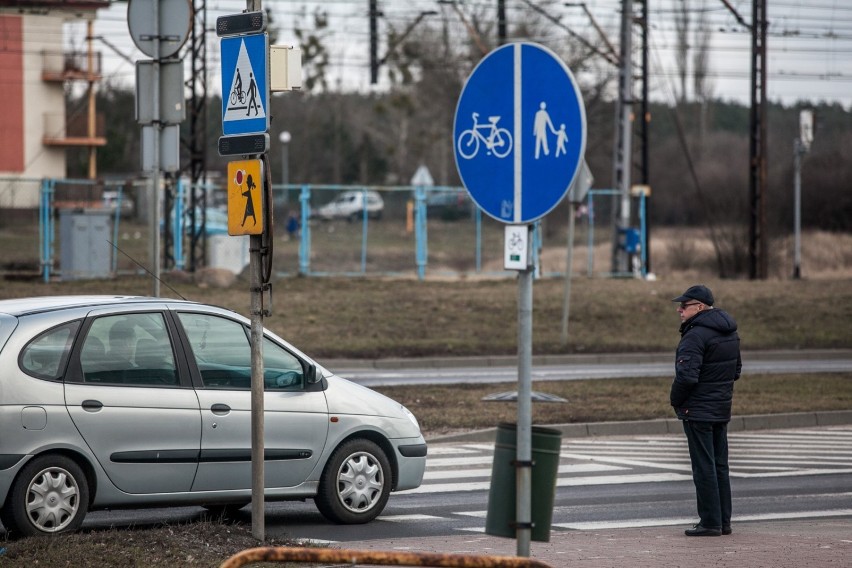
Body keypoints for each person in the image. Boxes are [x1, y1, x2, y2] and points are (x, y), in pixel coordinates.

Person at [670, 284, 742, 537]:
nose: (679, 310)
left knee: (704, 467)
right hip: (721, 407)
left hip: (698, 410)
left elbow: (686, 377)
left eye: (684, 306)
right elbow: (736, 371)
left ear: (699, 307)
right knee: (720, 465)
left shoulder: (695, 335)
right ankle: (724, 521)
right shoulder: (729, 332)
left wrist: (675, 400)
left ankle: (709, 522)